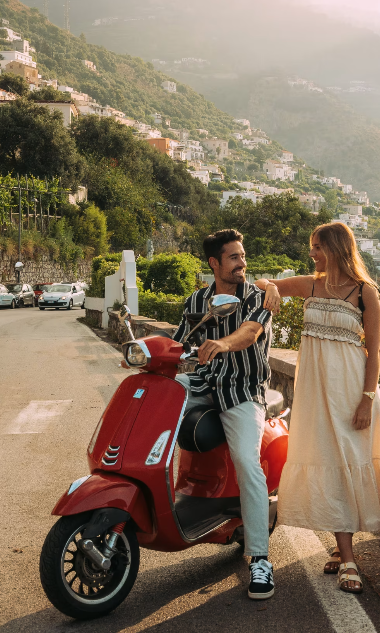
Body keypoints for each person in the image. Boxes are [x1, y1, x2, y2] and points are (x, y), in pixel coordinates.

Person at [255, 222, 380, 594]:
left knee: (346, 462)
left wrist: (367, 399)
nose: (313, 253)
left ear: (337, 247)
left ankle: (347, 557)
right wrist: (272, 287)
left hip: (351, 389)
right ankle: (345, 554)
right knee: (329, 460)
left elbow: (375, 353)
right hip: (314, 392)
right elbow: (261, 283)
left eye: (318, 247)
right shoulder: (311, 284)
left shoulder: (365, 293)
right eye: (312, 247)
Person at [172, 229, 277, 600]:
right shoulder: (197, 301)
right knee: (154, 399)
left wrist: (222, 343)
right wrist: (144, 354)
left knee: (248, 461)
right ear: (214, 264)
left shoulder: (258, 296)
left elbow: (250, 333)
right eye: (233, 257)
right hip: (204, 383)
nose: (242, 263)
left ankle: (260, 559)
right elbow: (178, 343)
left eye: (243, 256)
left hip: (243, 391)